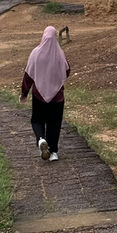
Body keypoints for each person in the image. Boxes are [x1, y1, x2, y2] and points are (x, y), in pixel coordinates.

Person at [19, 26, 70, 162]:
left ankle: (41, 139)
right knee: (55, 123)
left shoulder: (35, 53)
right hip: (57, 97)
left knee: (37, 120)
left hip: (39, 95)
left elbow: (28, 76)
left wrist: (24, 93)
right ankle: (53, 152)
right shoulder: (60, 54)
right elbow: (67, 71)